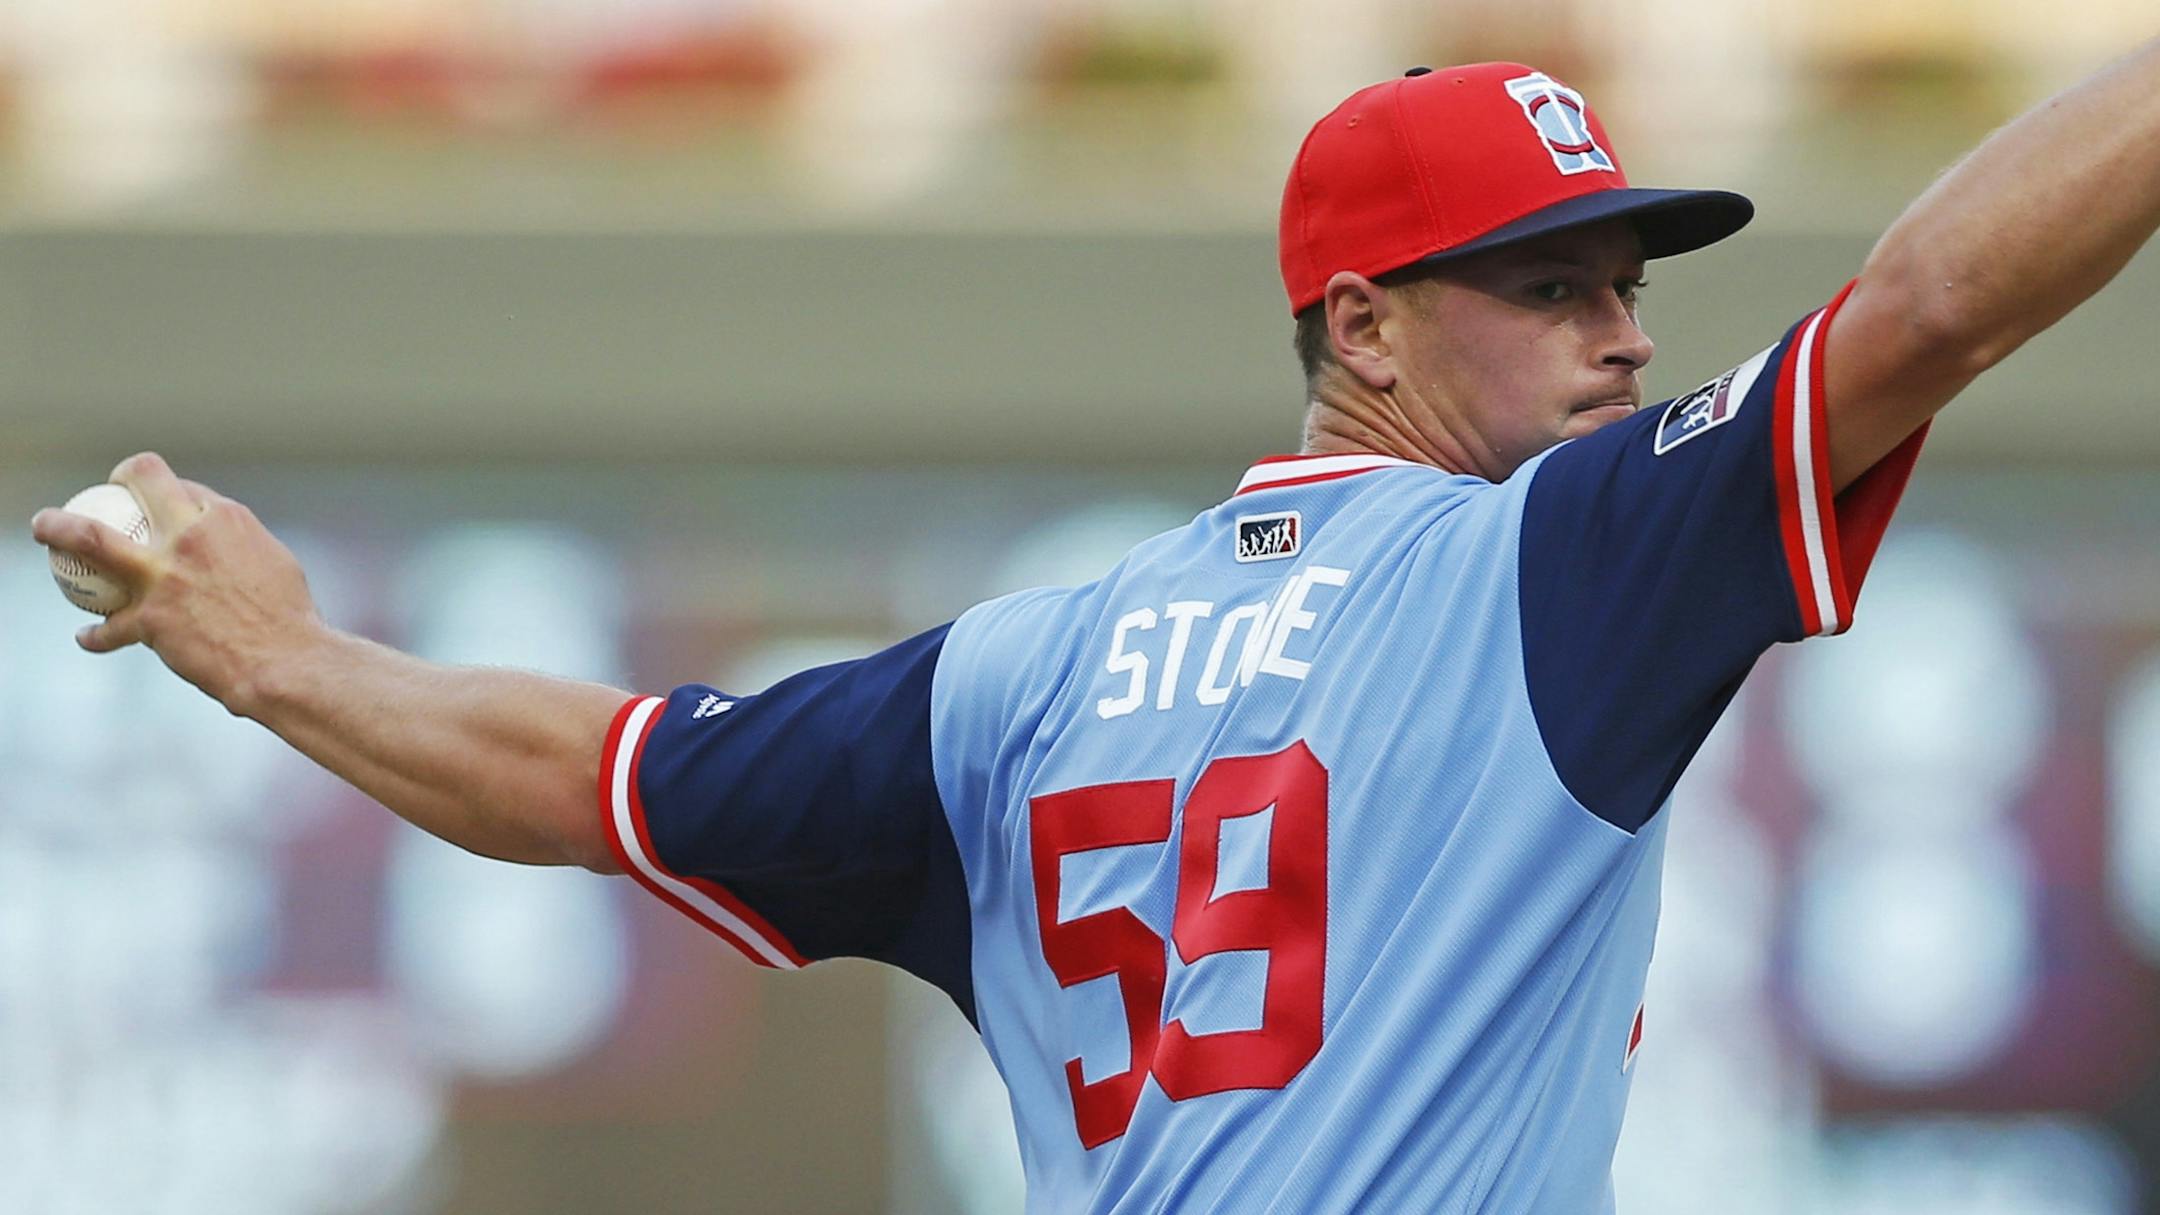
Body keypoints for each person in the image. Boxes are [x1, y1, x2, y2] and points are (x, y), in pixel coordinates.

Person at [30, 45, 2160, 1214]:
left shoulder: (1013, 673)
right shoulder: (1558, 562)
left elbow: (593, 777)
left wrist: (268, 648)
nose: (1624, 337)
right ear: (1366, 321)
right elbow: (1932, 308)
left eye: (1628, 281)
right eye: (1556, 287)